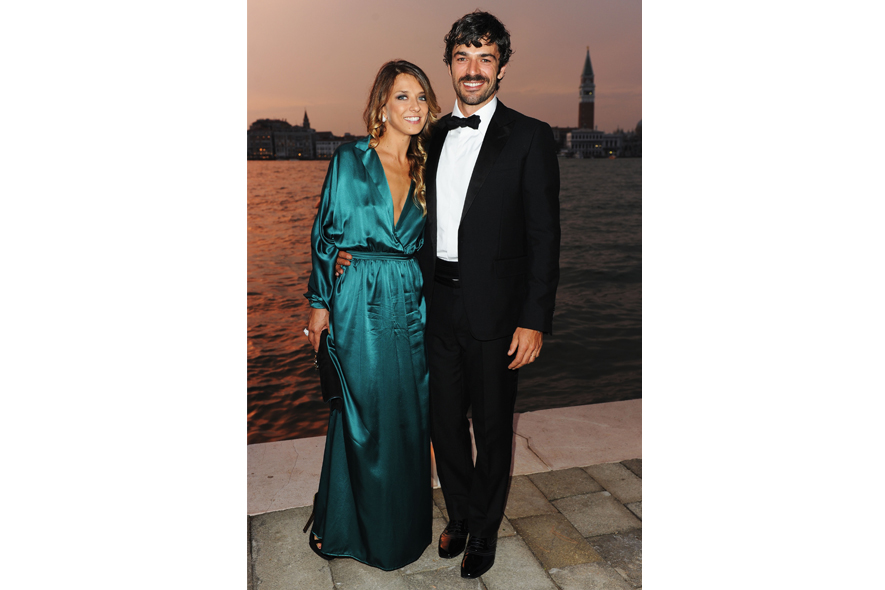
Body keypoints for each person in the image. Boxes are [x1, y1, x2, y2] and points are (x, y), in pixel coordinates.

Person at [337, 11, 561, 579]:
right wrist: (354, 253)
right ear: (450, 65)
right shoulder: (429, 136)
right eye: (463, 57)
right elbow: (391, 204)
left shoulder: (530, 136)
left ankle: (484, 527)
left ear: (502, 68)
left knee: (493, 425)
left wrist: (534, 318)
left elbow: (544, 236)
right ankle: (459, 514)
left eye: (486, 58)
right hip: (431, 303)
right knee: (443, 423)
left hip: (498, 312)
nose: (473, 69)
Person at [304, 59, 441, 571]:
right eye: (403, 96)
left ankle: (401, 532)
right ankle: (348, 528)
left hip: (409, 299)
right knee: (360, 412)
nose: (414, 106)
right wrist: (319, 304)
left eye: (421, 97)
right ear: (382, 104)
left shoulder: (427, 168)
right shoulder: (350, 158)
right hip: (357, 296)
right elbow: (325, 233)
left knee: (408, 414)